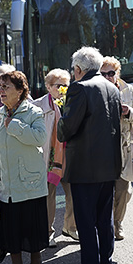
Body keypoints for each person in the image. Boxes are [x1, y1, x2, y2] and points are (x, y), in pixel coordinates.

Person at [57, 47, 122, 264]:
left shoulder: (78, 88)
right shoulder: (111, 88)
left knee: (85, 220)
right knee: (104, 217)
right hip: (109, 164)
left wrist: (60, 119)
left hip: (85, 166)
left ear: (78, 69)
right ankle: (106, 260)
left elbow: (68, 128)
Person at [0, 71, 48, 264]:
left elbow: (40, 137)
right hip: (6, 184)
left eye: (6, 87)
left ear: (20, 91)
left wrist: (15, 126)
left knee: (32, 224)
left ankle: (36, 259)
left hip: (29, 182)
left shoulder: (33, 112)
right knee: (11, 227)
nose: (1, 91)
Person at [33, 69, 78, 248]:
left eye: (66, 85)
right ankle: (48, 231)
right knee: (48, 195)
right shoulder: (37, 106)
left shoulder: (74, 104)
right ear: (48, 87)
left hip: (70, 155)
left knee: (73, 193)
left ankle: (70, 227)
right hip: (49, 157)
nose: (62, 89)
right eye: (58, 85)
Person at [100, 57, 133, 241]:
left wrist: (129, 112)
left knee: (124, 190)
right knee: (104, 190)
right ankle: (104, 225)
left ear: (117, 73)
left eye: (111, 73)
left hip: (124, 147)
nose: (108, 77)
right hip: (102, 149)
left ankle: (118, 223)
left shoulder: (128, 90)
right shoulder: (95, 90)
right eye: (103, 73)